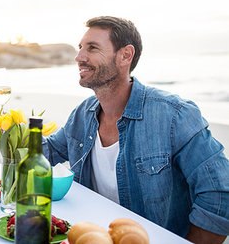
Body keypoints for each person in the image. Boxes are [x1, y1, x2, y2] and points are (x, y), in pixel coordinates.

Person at [43, 16, 229, 243]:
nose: (79, 57)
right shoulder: (83, 114)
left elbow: (219, 195)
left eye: (92, 48)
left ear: (125, 56)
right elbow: (48, 152)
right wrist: (13, 135)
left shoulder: (174, 115)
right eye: (81, 47)